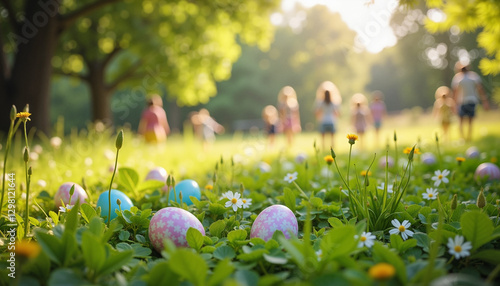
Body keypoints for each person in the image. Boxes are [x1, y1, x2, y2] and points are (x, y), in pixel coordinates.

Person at [451, 62, 490, 141]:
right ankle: (468, 138)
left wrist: (454, 104)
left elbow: (455, 92)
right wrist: (485, 101)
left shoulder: (458, 78)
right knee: (470, 121)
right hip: (472, 100)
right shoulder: (474, 76)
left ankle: (463, 138)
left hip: (462, 102)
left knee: (461, 121)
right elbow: (480, 89)